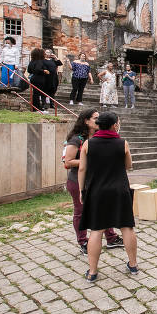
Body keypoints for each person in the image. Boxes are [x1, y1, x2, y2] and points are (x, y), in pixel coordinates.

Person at [78, 112, 137, 282]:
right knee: (127, 227)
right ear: (113, 125)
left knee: (97, 230)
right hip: (120, 190)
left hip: (97, 191)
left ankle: (92, 271)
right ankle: (133, 265)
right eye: (118, 122)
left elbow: (82, 169)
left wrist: (83, 191)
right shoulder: (122, 143)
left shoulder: (88, 144)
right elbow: (129, 165)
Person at [63, 109, 124, 254]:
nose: (98, 121)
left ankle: (111, 237)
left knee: (104, 208)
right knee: (81, 212)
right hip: (78, 181)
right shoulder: (76, 139)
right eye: (95, 118)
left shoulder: (99, 137)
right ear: (86, 121)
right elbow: (68, 161)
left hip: (98, 180)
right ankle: (83, 241)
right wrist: (87, 161)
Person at [26, 48, 50, 112]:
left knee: (35, 94)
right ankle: (36, 107)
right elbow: (37, 69)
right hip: (39, 79)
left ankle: (35, 107)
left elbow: (29, 70)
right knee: (37, 94)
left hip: (33, 78)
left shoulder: (32, 61)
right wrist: (44, 71)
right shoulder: (40, 61)